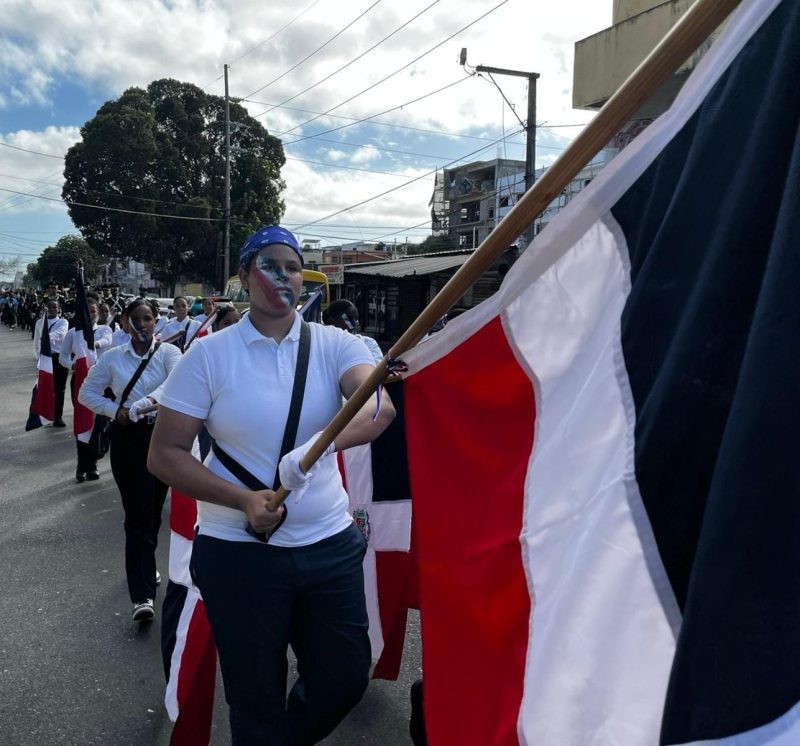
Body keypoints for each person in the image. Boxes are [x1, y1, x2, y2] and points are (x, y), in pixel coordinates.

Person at [149, 225, 395, 744]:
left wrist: (317, 447)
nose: (283, 276)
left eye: (293, 267)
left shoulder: (337, 344)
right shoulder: (208, 356)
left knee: (345, 676)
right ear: (243, 276)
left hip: (328, 545)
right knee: (254, 697)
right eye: (269, 265)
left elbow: (378, 406)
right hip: (238, 554)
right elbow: (165, 453)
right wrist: (242, 499)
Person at [79, 298, 182, 622]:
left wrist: (148, 401)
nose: (142, 325)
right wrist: (116, 411)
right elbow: (86, 393)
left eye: (148, 318)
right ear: (124, 322)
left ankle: (145, 563)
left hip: (163, 438)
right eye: (135, 319)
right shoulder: (112, 358)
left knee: (153, 511)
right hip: (129, 441)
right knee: (138, 516)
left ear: (156, 321)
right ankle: (141, 595)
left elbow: (177, 385)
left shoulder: (168, 353)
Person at [59, 297, 113, 481]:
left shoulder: (105, 330)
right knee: (82, 421)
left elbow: (106, 342)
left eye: (93, 311)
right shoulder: (73, 333)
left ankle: (93, 463)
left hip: (102, 382)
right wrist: (73, 365)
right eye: (86, 311)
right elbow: (63, 356)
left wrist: (91, 344)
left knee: (98, 423)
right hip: (80, 380)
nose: (90, 315)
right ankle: (82, 465)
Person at [33, 298, 69, 427]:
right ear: (45, 308)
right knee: (46, 388)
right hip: (45, 359)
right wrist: (38, 357)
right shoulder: (39, 322)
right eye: (50, 307)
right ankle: (47, 416)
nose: (52, 309)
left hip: (59, 359)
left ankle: (58, 417)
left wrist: (45, 338)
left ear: (59, 309)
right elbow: (36, 341)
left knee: (60, 389)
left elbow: (60, 334)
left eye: (55, 307)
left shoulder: (63, 322)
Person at [322, 299, 383, 364]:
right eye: (351, 318)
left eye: (357, 319)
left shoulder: (368, 343)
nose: (356, 323)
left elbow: (377, 366)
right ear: (334, 321)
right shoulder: (323, 346)